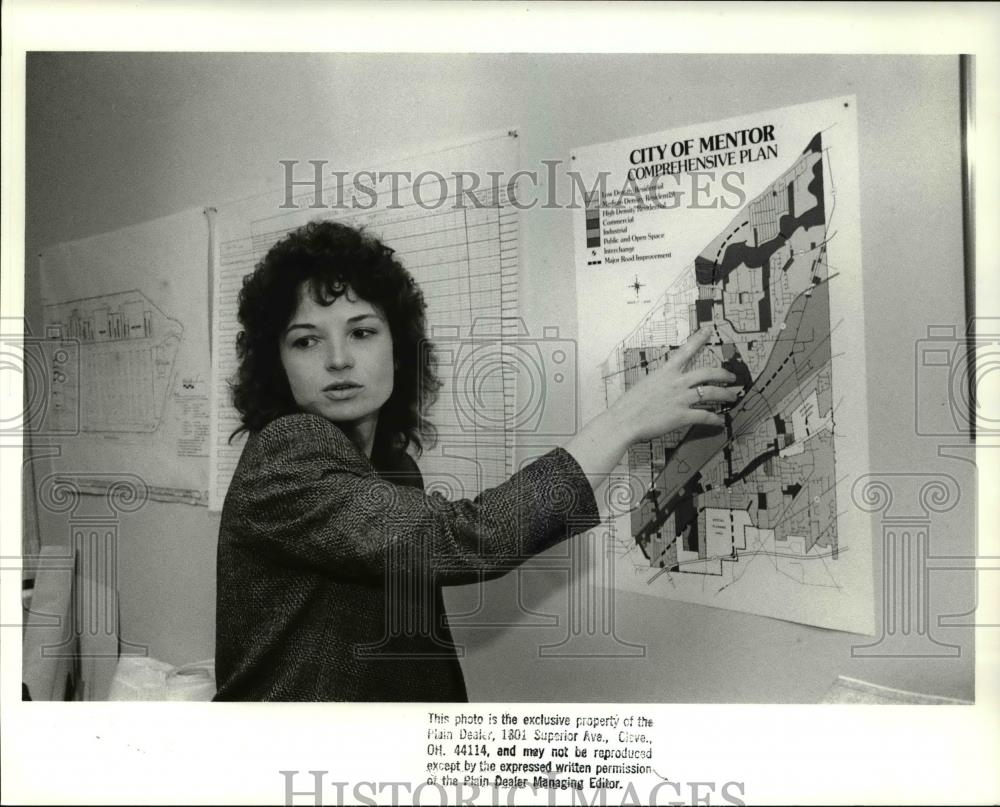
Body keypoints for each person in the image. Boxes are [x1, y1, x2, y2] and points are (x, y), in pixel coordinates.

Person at [213, 219, 739, 701]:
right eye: (306, 341)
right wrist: (623, 421)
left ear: (397, 346)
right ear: (277, 363)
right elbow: (460, 542)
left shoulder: (394, 467)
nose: (338, 359)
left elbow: (417, 650)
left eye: (362, 331)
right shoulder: (286, 451)